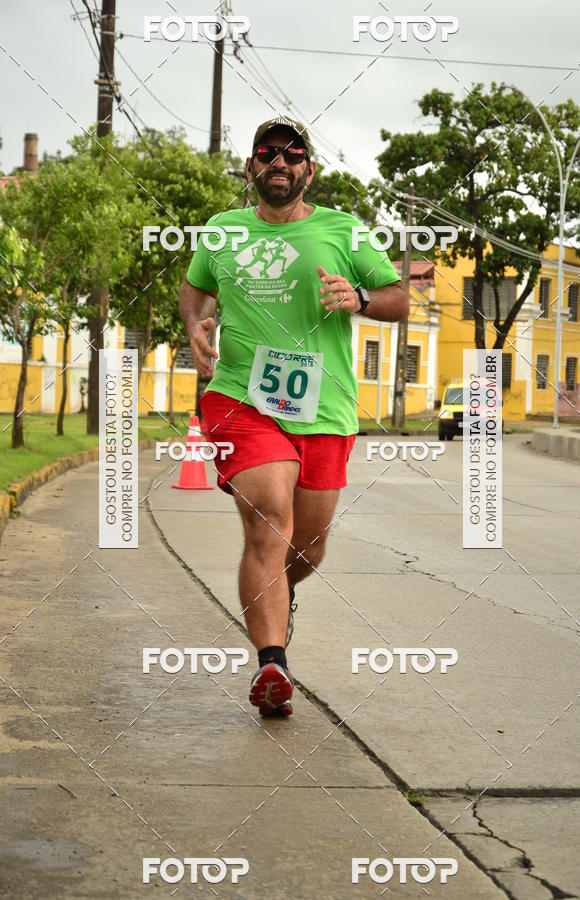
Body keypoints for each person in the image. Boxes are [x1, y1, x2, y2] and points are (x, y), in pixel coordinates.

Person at [179, 117, 409, 717]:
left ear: (308, 169)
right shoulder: (224, 232)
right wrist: (196, 324)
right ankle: (272, 663)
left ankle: (276, 598)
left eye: (292, 154)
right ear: (251, 167)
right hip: (239, 399)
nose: (278, 162)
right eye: (266, 153)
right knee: (268, 523)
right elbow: (193, 287)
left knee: (304, 551)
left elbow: (400, 298)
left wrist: (359, 298)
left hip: (325, 408)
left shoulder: (345, 231)